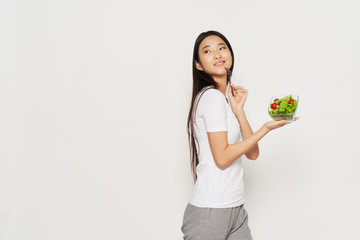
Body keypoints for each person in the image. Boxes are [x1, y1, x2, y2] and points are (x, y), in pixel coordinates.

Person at [181, 30, 298, 240]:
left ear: (230, 55)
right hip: (210, 212)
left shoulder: (225, 101)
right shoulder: (212, 97)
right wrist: (266, 128)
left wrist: (239, 111)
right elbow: (223, 158)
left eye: (222, 48)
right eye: (208, 51)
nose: (217, 54)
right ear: (198, 65)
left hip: (235, 208)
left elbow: (252, 153)